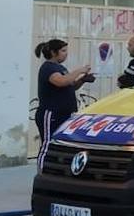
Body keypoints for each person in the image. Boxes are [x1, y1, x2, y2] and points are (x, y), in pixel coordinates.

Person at [34, 39, 92, 170]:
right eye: (63, 51)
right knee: (48, 144)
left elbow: (70, 85)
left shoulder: (61, 68)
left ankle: (56, 171)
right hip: (51, 113)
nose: (66, 54)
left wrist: (83, 80)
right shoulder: (48, 67)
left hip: (65, 113)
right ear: (54, 52)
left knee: (62, 146)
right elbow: (61, 82)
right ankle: (42, 172)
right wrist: (80, 70)